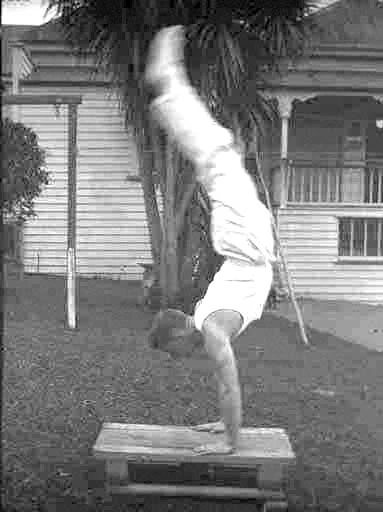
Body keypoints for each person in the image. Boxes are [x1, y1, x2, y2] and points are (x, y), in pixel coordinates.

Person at [145, 26, 275, 455]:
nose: (176, 360)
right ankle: (169, 87)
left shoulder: (212, 328)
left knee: (214, 158)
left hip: (245, 246)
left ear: (179, 335)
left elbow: (230, 382)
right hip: (245, 246)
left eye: (171, 353)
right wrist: (223, 423)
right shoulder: (205, 320)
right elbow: (223, 383)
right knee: (215, 160)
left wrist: (230, 443)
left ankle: (169, 80)